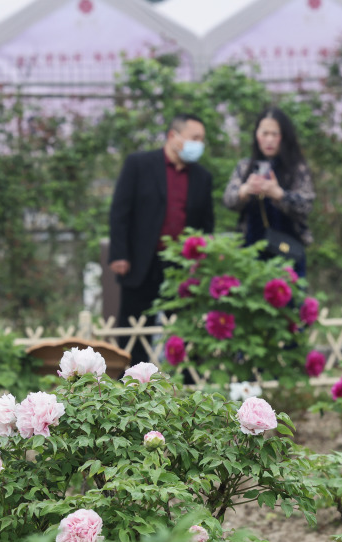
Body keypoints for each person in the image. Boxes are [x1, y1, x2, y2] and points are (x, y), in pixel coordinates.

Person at [108, 113, 215, 365]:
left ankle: (186, 390)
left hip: (181, 268)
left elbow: (206, 225)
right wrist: (119, 253)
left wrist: (202, 263)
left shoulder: (202, 177)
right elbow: (120, 211)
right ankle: (129, 391)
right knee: (134, 331)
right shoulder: (139, 164)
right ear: (173, 137)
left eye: (202, 139)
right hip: (140, 262)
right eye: (194, 138)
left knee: (183, 333)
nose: (199, 144)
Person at [223, 108, 315, 277]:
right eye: (264, 133)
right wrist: (244, 191)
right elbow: (228, 200)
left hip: (288, 249)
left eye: (275, 134)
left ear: (284, 137)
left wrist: (279, 194)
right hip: (249, 250)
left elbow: (306, 205)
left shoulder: (296, 168)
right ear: (257, 135)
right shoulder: (245, 167)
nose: (269, 140)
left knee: (289, 298)